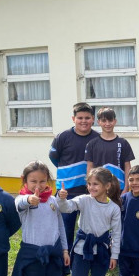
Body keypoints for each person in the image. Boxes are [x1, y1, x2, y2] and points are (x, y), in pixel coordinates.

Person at [8, 161, 72, 276]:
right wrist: (29, 200)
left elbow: (60, 227)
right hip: (32, 256)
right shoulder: (23, 200)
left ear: (48, 181)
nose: (38, 185)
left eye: (42, 181)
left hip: (52, 254)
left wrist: (64, 249)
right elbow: (20, 204)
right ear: (24, 181)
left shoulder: (52, 201)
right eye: (33, 181)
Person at [57, 168, 122, 276]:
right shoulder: (84, 200)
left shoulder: (113, 208)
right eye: (89, 184)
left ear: (107, 186)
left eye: (96, 184)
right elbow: (67, 208)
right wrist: (62, 198)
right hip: (81, 250)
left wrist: (114, 255)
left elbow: (116, 233)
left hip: (101, 250)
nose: (91, 187)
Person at [49, 102, 100, 251]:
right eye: (80, 118)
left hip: (90, 191)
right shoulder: (63, 137)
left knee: (89, 227)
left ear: (93, 119)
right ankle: (66, 258)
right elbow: (54, 158)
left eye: (87, 118)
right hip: (67, 191)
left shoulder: (98, 138)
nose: (83, 121)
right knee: (66, 228)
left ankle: (87, 255)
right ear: (73, 119)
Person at [84, 107, 135, 192]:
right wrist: (91, 188)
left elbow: (127, 167)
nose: (107, 124)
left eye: (110, 120)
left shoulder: (123, 143)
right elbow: (90, 168)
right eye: (104, 121)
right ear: (98, 122)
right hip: (99, 189)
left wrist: (126, 188)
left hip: (119, 188)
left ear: (115, 121)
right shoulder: (92, 144)